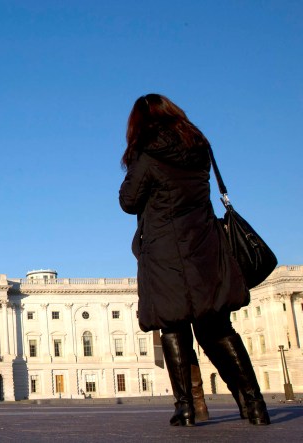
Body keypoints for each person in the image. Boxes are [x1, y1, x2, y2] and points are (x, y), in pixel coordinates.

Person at [119, 94, 269, 426]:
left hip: (164, 251)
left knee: (173, 326)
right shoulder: (199, 147)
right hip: (204, 245)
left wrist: (133, 166)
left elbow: (128, 201)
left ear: (139, 123)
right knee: (217, 325)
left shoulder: (147, 153)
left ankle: (185, 407)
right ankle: (255, 404)